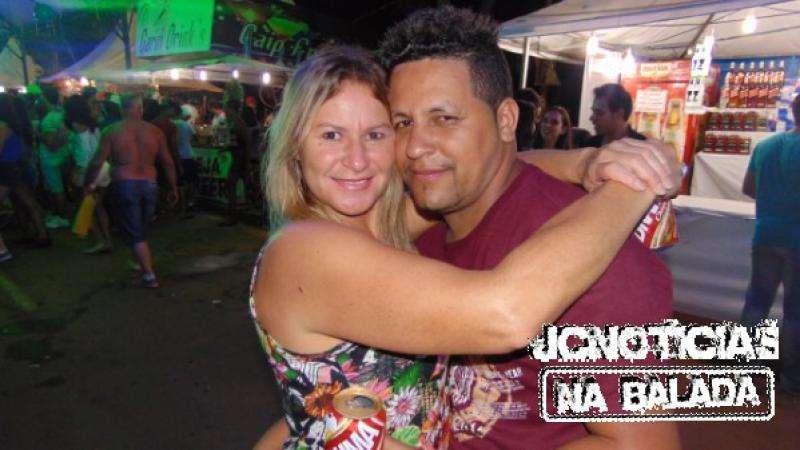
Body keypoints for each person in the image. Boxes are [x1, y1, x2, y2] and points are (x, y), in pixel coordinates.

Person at [249, 45, 679, 449]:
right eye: (331, 135)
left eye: (377, 134)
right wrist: (634, 186)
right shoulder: (305, 251)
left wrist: (585, 162)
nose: (356, 159)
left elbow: (481, 169)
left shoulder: (381, 225)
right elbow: (506, 314)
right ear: (295, 148)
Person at [380, 6, 679, 449]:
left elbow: (641, 446)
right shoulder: (416, 230)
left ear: (505, 120)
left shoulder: (596, 259)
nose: (415, 146)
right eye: (403, 123)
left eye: (444, 118)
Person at [85, 94, 178, 289]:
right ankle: (139, 263)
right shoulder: (155, 131)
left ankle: (149, 275)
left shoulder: (112, 131)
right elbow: (168, 162)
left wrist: (89, 182)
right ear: (140, 109)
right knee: (141, 228)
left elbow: (97, 161)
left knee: (136, 232)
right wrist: (173, 186)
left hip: (125, 183)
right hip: (150, 184)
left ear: (122, 108)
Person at [741, 94, 800, 399]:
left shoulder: (765, 146)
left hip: (765, 233)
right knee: (795, 312)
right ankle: (791, 379)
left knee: (756, 303)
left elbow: (749, 188)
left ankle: (745, 367)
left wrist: (774, 201)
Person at [0, 94, 50, 249]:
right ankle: (37, 234)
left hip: (9, 169)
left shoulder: (2, 125)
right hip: (15, 167)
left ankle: (39, 235)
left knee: (26, 202)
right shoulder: (15, 125)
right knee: (24, 202)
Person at [64, 95, 112, 254]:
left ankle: (99, 240)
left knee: (86, 208)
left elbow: (81, 153)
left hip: (86, 170)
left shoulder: (75, 125)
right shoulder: (94, 122)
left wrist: (77, 172)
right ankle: (107, 240)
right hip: (102, 167)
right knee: (99, 207)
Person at [37, 84, 72, 228]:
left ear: (45, 99)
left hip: (51, 160)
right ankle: (64, 214)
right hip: (65, 156)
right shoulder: (62, 114)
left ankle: (61, 217)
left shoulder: (48, 119)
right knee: (63, 187)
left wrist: (39, 136)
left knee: (57, 189)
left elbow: (51, 144)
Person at [218, 98, 254, 226]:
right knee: (239, 186)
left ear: (231, 109)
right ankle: (235, 215)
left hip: (240, 159)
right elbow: (234, 142)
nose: (225, 111)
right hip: (239, 158)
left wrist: (247, 162)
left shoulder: (237, 123)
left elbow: (247, 143)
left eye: (226, 108)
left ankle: (233, 217)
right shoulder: (234, 122)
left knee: (233, 186)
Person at [585, 83, 646, 147]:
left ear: (620, 114)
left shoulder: (643, 146)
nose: (591, 118)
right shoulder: (590, 145)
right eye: (593, 112)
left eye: (599, 113)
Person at [174, 104, 198, 214]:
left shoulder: (172, 124)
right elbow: (195, 138)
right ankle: (190, 203)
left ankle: (181, 205)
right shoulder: (186, 125)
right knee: (191, 181)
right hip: (188, 155)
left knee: (180, 182)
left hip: (176, 156)